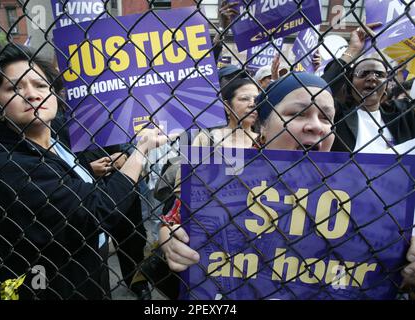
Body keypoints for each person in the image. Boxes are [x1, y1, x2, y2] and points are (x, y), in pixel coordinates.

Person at [158, 72, 415, 297]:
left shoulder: (363, 189)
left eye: (326, 118)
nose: (316, 126)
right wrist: (169, 238)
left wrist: (407, 256)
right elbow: (175, 219)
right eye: (298, 113)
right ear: (264, 126)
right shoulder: (227, 170)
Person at [0, 44, 171, 299]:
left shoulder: (53, 132)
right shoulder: (5, 164)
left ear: (55, 94)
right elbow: (96, 209)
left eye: (41, 85)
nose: (32, 94)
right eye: (14, 88)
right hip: (51, 282)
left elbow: (61, 179)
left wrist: (90, 169)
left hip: (88, 267)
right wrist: (141, 150)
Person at [322, 25, 415, 153]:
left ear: (387, 84)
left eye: (379, 75)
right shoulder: (336, 114)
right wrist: (353, 50)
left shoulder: (403, 113)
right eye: (363, 73)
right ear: (350, 82)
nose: (372, 78)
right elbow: (318, 93)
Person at [193, 78, 259, 148]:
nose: (253, 104)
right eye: (244, 98)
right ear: (227, 106)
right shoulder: (207, 139)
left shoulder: (264, 141)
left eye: (257, 99)